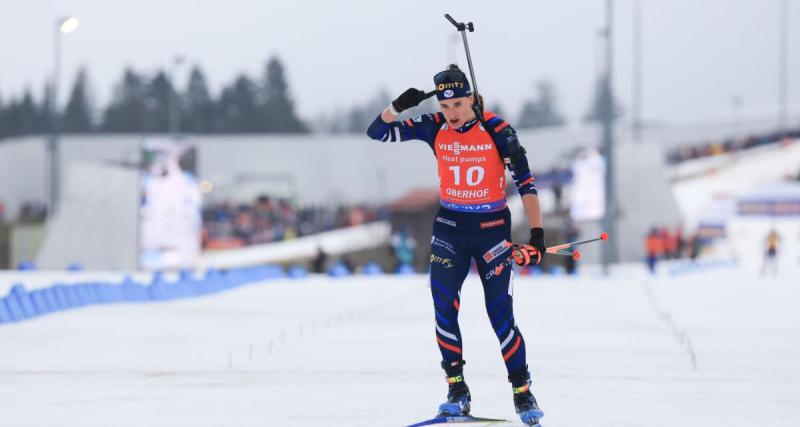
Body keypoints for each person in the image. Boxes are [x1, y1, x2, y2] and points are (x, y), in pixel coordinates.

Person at [366, 65, 545, 426]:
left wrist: (537, 236)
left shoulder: (498, 130)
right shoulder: (434, 125)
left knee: (500, 315)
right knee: (443, 306)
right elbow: (378, 132)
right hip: (450, 227)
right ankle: (456, 390)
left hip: (492, 229)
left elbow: (526, 184)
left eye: (459, 106)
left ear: (473, 100)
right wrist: (398, 105)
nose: (451, 114)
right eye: (446, 107)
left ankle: (522, 392)